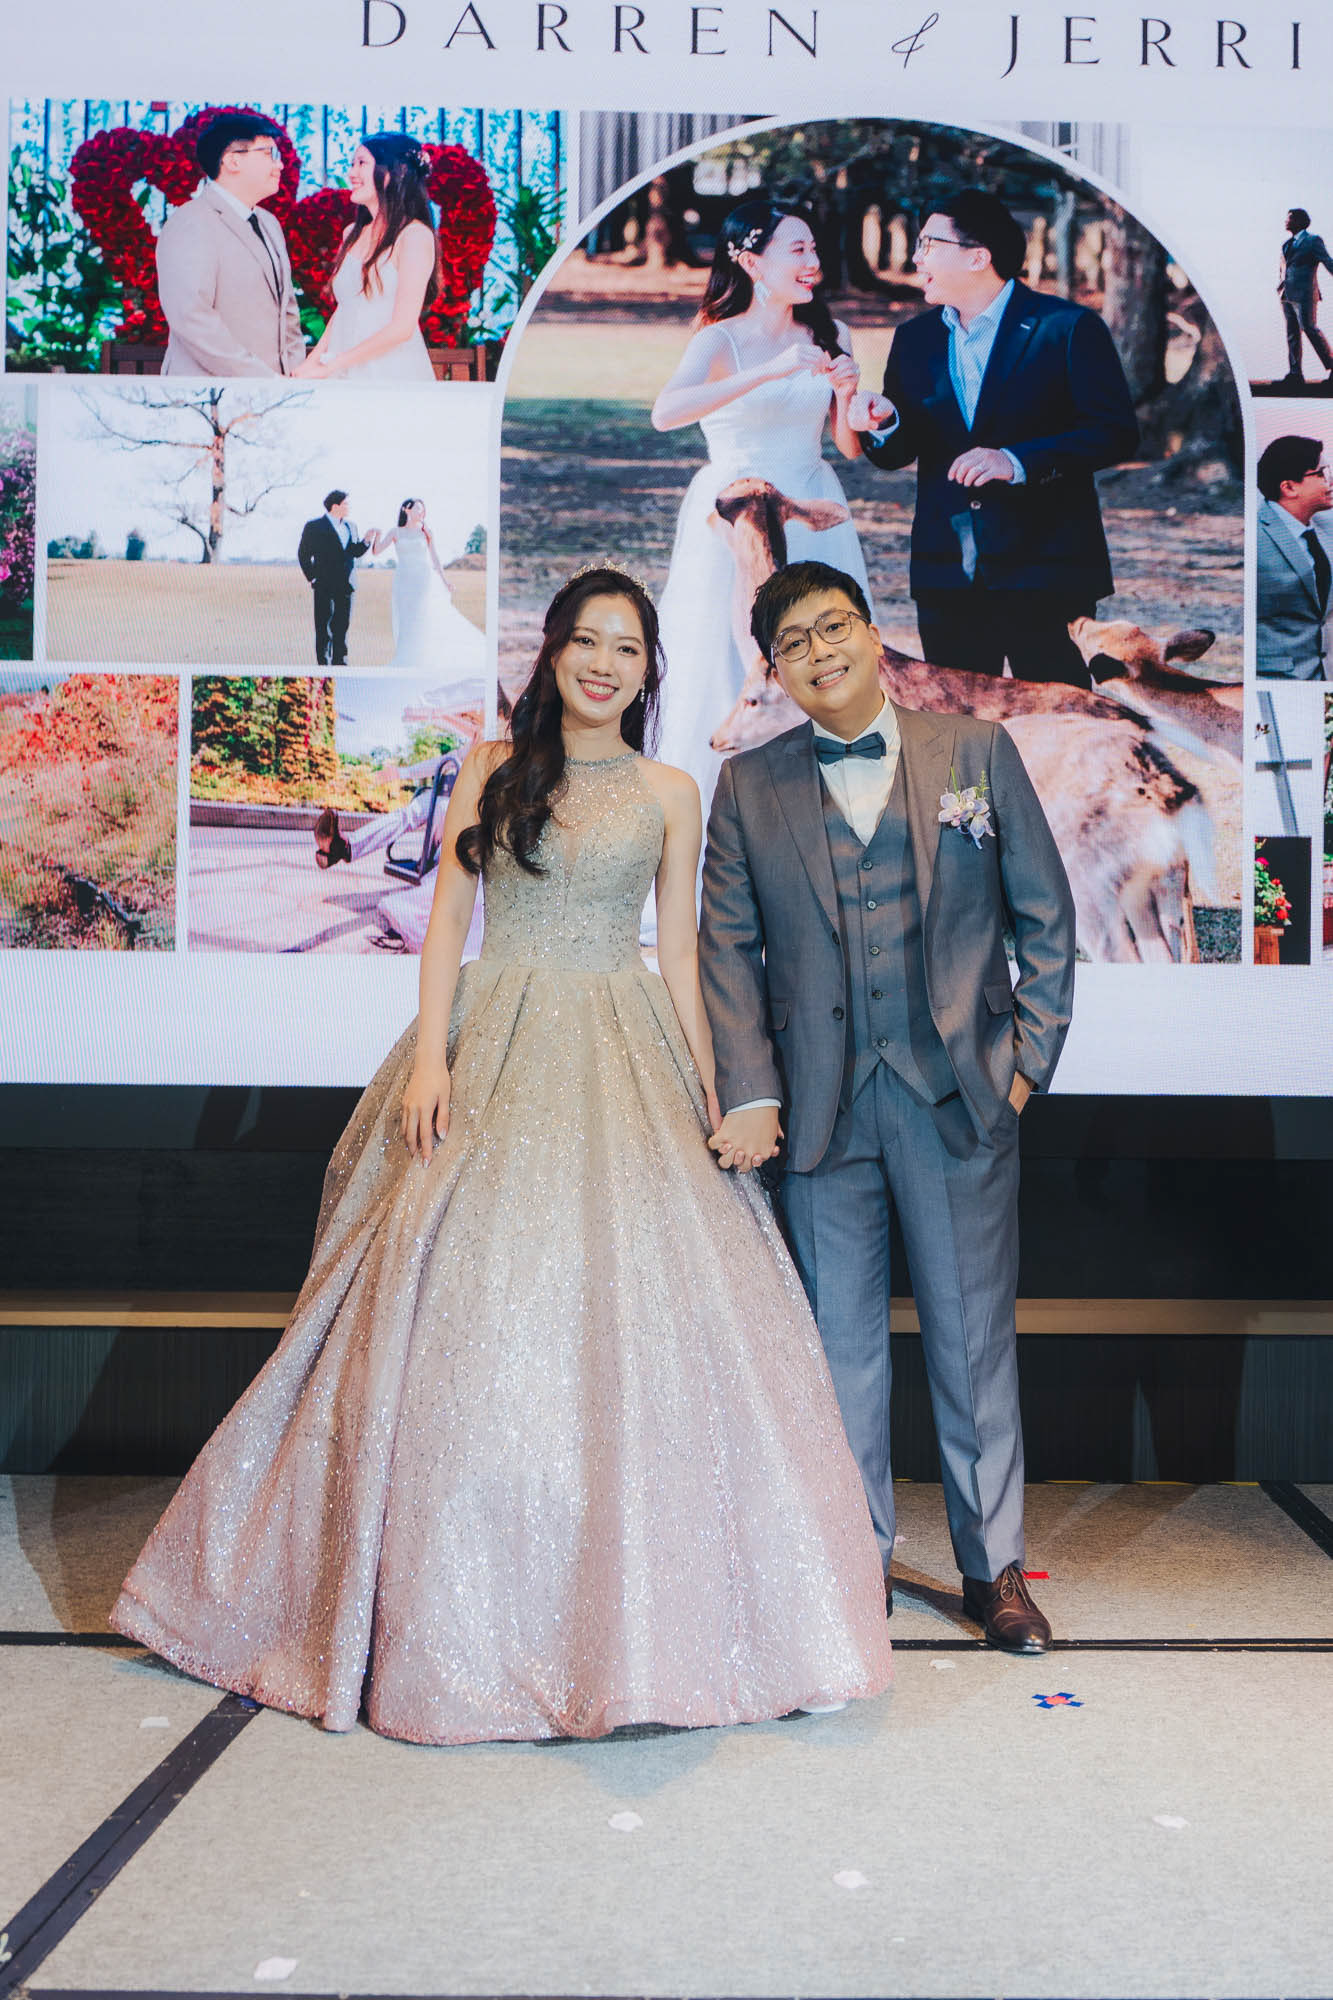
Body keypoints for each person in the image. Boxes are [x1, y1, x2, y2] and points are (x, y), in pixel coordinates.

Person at [109, 565, 893, 1744]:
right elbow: (444, 929)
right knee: (460, 1309)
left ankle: (662, 1625)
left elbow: (680, 955)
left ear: (649, 667)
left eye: (626, 647)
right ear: (554, 651)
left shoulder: (674, 790)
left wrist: (710, 1087)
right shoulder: (491, 767)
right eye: (586, 640)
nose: (604, 663)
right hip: (495, 1039)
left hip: (622, 1040)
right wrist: (432, 1059)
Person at [700, 559, 1076, 1654]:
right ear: (773, 671)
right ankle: (849, 1562)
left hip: (958, 1098)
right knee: (838, 1355)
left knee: (971, 1343)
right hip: (819, 1112)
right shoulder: (747, 785)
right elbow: (725, 952)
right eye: (793, 644)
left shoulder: (974, 752)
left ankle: (992, 1569)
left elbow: (1046, 922)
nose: (818, 653)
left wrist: (1022, 1068)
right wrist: (753, 1090)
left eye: (833, 628)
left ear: (872, 634)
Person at [849, 188, 1138, 688]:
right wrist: (887, 422)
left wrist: (1017, 461)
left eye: (929, 244)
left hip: (1048, 571)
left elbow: (1115, 433)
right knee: (958, 728)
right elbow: (900, 452)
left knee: (1057, 724)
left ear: (978, 257)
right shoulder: (914, 339)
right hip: (947, 573)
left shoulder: (1067, 328)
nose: (917, 259)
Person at [650, 199, 872, 811]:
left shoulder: (833, 334)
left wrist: (851, 398)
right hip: (738, 513)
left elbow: (849, 445)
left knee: (823, 656)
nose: (813, 261)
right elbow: (666, 413)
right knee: (726, 660)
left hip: (814, 506)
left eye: (814, 248)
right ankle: (718, 816)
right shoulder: (719, 337)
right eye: (797, 250)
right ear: (751, 262)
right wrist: (768, 371)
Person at [156, 112, 306, 379]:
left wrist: (292, 375)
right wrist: (261, 378)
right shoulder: (191, 222)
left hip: (275, 391)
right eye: (268, 154)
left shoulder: (269, 223)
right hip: (210, 391)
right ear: (233, 160)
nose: (280, 165)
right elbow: (192, 317)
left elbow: (288, 313)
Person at [297, 134, 440, 383]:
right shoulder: (351, 234)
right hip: (342, 366)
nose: (352, 173)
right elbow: (345, 309)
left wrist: (334, 364)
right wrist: (313, 361)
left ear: (397, 171)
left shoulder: (414, 235)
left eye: (362, 163)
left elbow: (402, 327)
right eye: (352, 164)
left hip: (392, 372)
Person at [369, 500, 485, 671]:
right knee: (406, 619)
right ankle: (406, 658)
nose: (421, 513)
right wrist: (377, 536)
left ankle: (422, 658)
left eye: (423, 510)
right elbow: (376, 551)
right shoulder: (396, 532)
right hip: (403, 580)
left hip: (423, 579)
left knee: (421, 616)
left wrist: (445, 580)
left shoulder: (426, 532)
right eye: (418, 509)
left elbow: (435, 557)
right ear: (406, 510)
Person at [1256, 435, 1333, 680]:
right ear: (1289, 487)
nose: (1330, 481)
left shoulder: (1325, 528)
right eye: (1322, 474)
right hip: (1278, 679)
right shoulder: (1256, 538)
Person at [297, 491, 374, 667]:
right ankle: (323, 665)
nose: (349, 507)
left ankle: (341, 664)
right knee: (323, 627)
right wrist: (312, 577)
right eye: (346, 504)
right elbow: (303, 554)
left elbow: (354, 551)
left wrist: (366, 542)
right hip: (324, 584)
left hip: (346, 585)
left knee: (342, 626)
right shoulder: (314, 526)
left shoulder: (351, 526)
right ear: (335, 506)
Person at [1278, 208, 1333, 387]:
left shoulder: (1312, 241)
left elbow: (1327, 261)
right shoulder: (1287, 244)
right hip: (1286, 294)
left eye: (1290, 218)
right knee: (1292, 333)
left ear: (1300, 221)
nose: (1286, 221)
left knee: (1309, 328)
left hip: (1305, 294)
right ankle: (1295, 373)